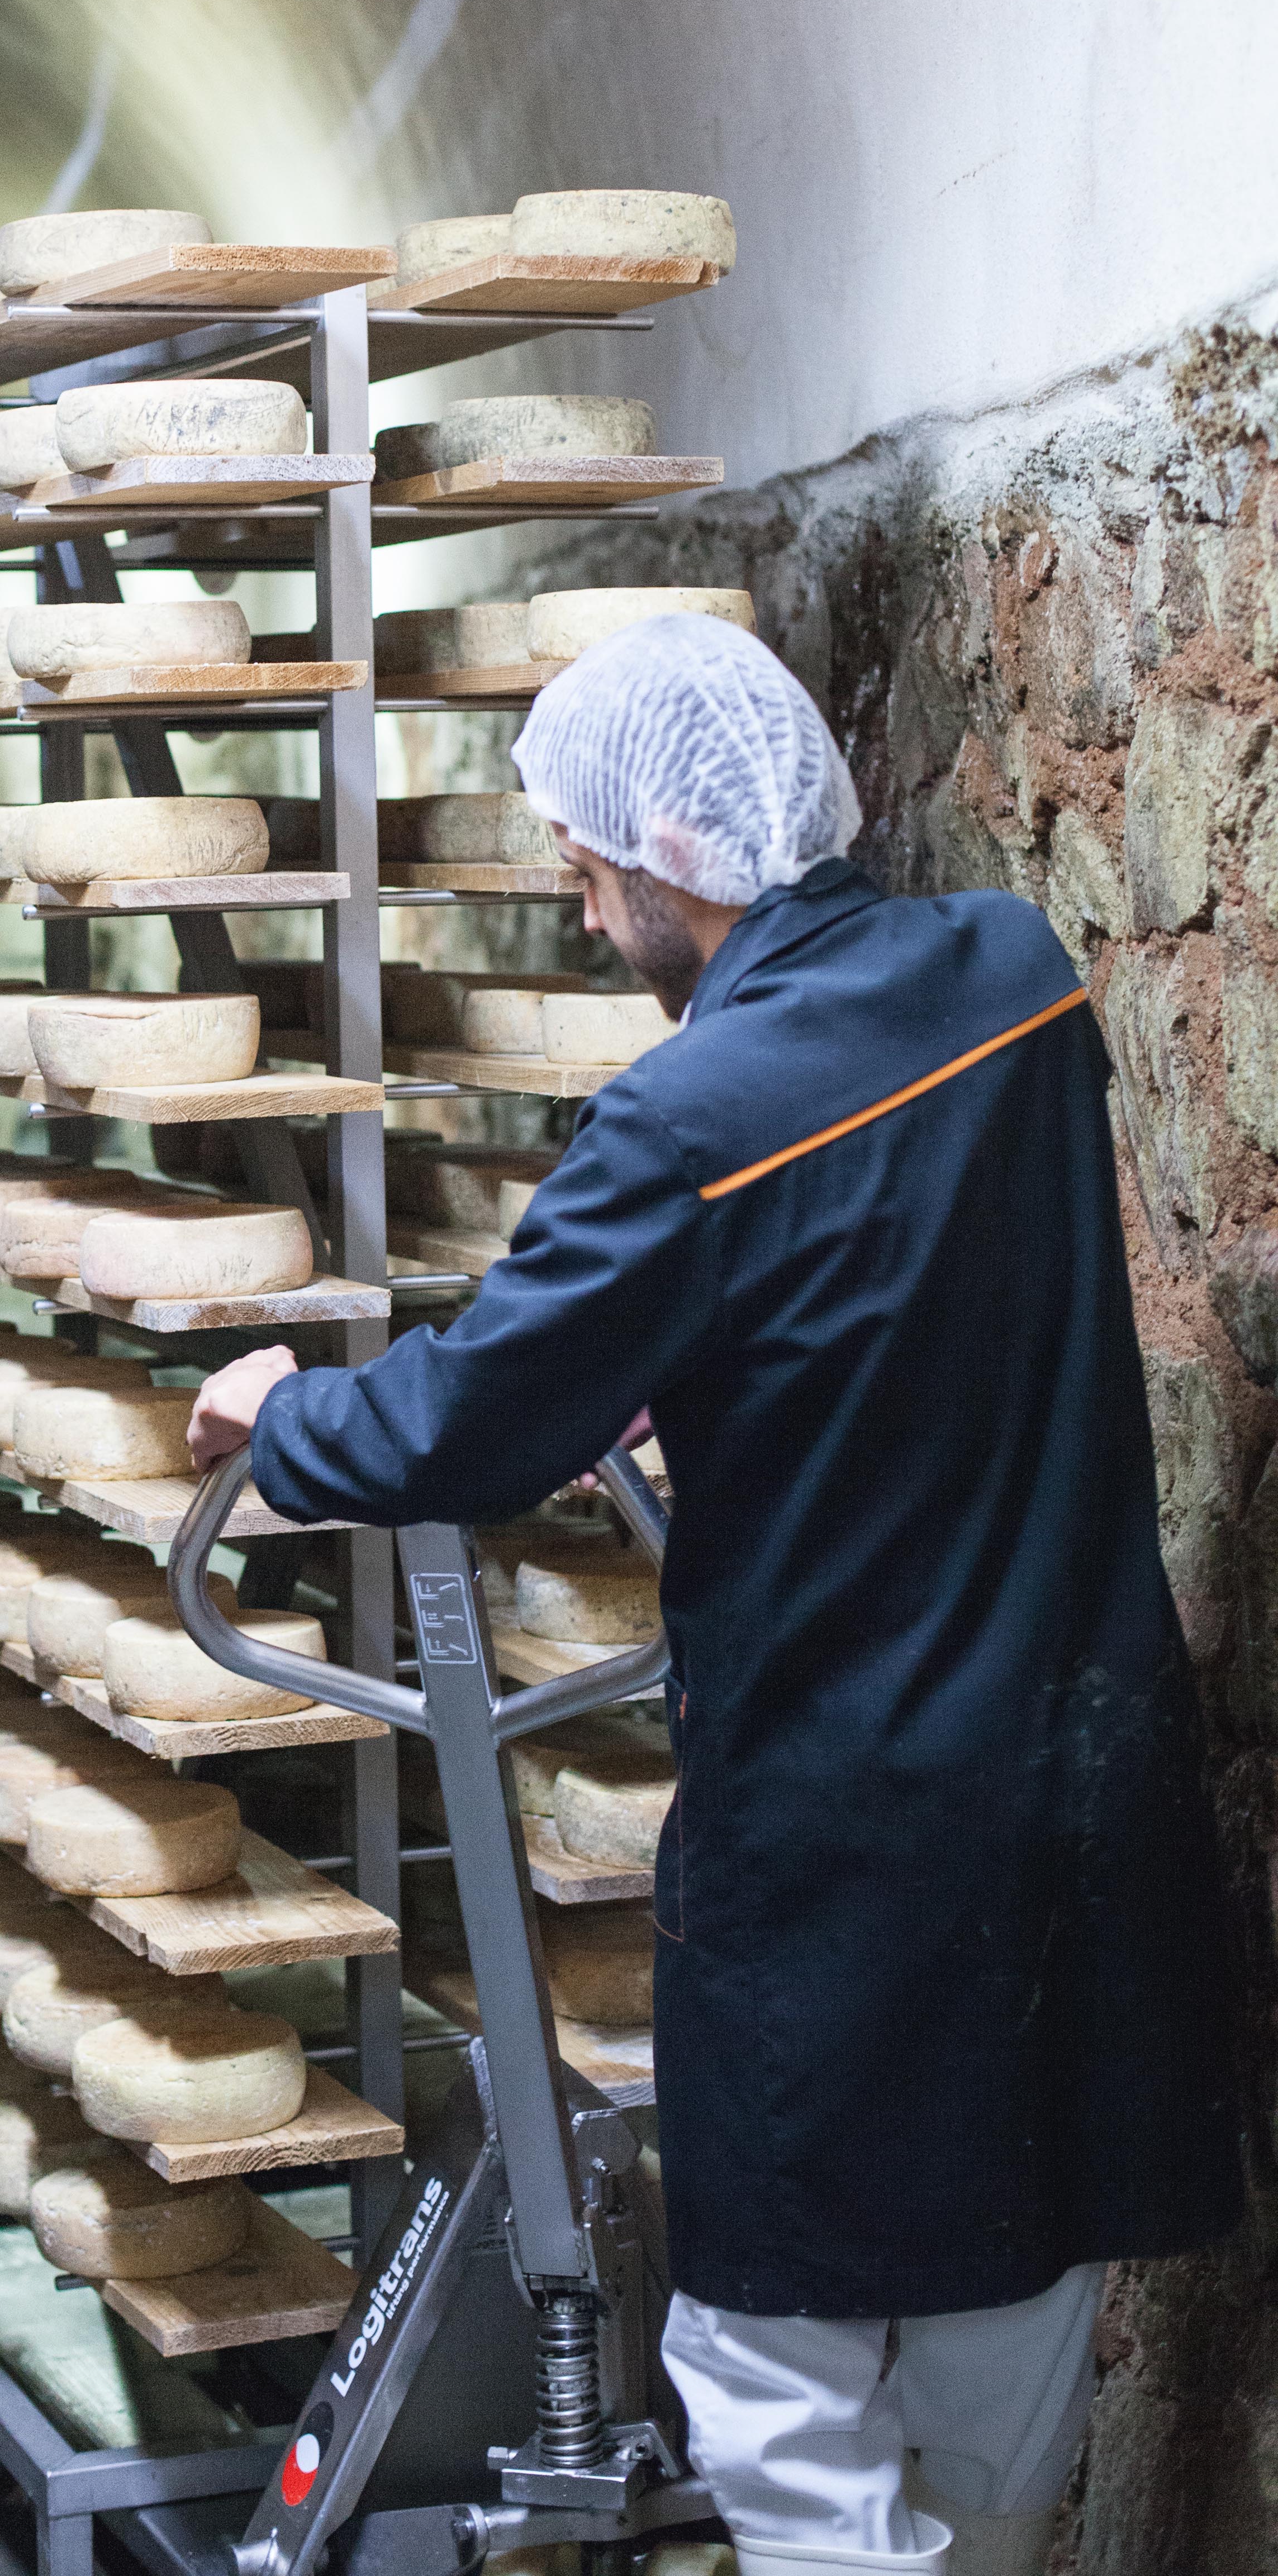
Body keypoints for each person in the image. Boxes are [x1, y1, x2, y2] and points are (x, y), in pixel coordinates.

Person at [187, 613, 1241, 2576]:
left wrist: (289, 1416)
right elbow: (905, 1263)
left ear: (676, 851)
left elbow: (465, 1428)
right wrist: (719, 1367)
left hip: (850, 1821)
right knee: (1011, 2257)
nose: (587, 923)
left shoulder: (680, 1125)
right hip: (1080, 1764)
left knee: (767, 2336)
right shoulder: (1014, 978)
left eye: (587, 873)